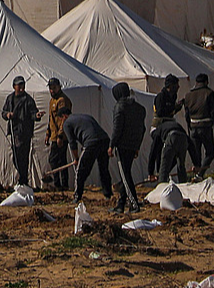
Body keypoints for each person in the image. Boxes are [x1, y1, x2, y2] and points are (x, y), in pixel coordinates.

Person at [109, 82, 146, 212]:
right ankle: (120, 204)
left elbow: (117, 129)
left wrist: (111, 145)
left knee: (125, 175)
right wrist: (137, 146)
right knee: (126, 175)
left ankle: (134, 203)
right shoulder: (140, 108)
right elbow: (142, 129)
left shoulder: (119, 107)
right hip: (133, 145)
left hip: (122, 145)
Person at [62, 110, 113, 203]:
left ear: (64, 116)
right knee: (104, 169)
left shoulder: (67, 123)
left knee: (81, 171)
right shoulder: (84, 116)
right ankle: (108, 194)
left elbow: (72, 143)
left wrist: (76, 158)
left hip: (91, 142)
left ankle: (77, 196)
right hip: (105, 140)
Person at [1, 77, 38, 188]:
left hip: (24, 132)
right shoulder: (10, 98)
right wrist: (7, 115)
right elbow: (3, 112)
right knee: (16, 157)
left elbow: (33, 113)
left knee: (23, 156)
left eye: (22, 85)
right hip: (14, 131)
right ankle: (22, 177)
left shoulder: (28, 100)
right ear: (14, 86)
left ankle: (23, 180)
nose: (21, 88)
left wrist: (36, 116)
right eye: (19, 85)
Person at [182, 73, 214, 174]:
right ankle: (200, 174)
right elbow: (213, 112)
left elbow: (186, 114)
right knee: (210, 153)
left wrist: (189, 126)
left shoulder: (188, 95)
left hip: (193, 127)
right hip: (205, 127)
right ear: (206, 82)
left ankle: (197, 174)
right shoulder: (209, 93)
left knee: (196, 155)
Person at [146, 75, 179, 180]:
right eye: (176, 85)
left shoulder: (173, 96)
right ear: (170, 86)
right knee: (156, 149)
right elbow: (160, 112)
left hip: (168, 128)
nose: (178, 87)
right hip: (158, 128)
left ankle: (162, 171)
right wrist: (173, 108)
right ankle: (152, 172)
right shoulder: (160, 97)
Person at [44, 78, 72, 193]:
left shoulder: (62, 100)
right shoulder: (52, 101)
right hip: (54, 135)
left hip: (61, 137)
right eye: (50, 88)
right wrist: (47, 134)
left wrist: (60, 136)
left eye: (54, 88)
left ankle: (60, 183)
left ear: (59, 87)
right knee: (59, 160)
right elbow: (51, 119)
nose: (52, 90)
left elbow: (63, 120)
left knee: (55, 160)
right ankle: (60, 184)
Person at [151, 116, 191, 184]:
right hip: (183, 139)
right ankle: (183, 185)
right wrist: (196, 164)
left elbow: (153, 152)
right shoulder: (174, 125)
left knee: (164, 168)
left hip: (171, 137)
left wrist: (151, 173)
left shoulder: (158, 131)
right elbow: (190, 143)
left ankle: (162, 186)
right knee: (181, 166)